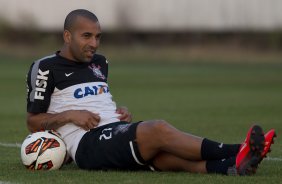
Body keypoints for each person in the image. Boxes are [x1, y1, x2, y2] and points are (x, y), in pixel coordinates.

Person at [26, 9, 276, 175]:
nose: (94, 43)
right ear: (67, 36)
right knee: (157, 130)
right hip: (85, 145)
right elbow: (33, 121)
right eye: (87, 36)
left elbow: (97, 100)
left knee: (160, 155)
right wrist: (70, 115)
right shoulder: (45, 67)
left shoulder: (100, 62)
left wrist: (118, 112)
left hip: (112, 130)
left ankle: (232, 168)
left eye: (98, 36)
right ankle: (239, 149)